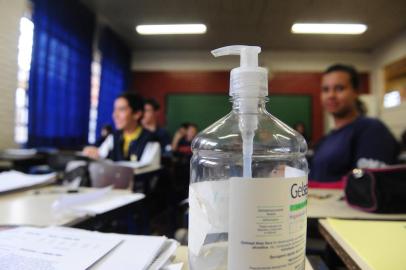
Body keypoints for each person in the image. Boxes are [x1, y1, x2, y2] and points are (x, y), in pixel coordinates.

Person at [309, 64, 399, 183]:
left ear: (356, 92)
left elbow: (368, 185)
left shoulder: (371, 130)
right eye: (325, 90)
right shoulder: (326, 139)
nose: (331, 95)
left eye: (339, 88)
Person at [83, 92, 153, 161]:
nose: (115, 115)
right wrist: (93, 151)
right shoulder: (113, 137)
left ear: (137, 114)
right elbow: (100, 152)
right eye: (115, 109)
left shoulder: (150, 139)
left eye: (121, 109)